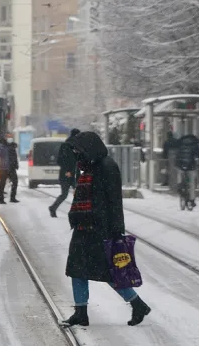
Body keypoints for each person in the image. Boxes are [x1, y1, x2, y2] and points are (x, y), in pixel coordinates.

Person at [60, 131, 151, 328]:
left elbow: (114, 201)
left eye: (78, 149)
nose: (76, 153)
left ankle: (138, 304)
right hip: (84, 227)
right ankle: (80, 312)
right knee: (77, 270)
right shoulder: (89, 166)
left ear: (89, 147)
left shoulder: (107, 167)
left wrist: (117, 229)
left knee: (108, 272)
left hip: (100, 229)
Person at [48, 128, 81, 218]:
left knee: (77, 194)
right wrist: (67, 171)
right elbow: (61, 160)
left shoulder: (77, 146)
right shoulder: (66, 146)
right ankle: (53, 208)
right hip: (67, 174)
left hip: (74, 174)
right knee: (65, 194)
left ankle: (78, 213)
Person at [174, 134, 199, 207]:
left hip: (180, 165)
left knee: (180, 176)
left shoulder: (180, 143)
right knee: (192, 183)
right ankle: (192, 200)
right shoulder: (194, 145)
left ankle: (179, 187)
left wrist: (176, 163)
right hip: (191, 165)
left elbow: (176, 153)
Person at [0, 139, 12, 204]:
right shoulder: (1, 148)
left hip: (4, 167)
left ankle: (1, 198)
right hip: (2, 168)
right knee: (2, 183)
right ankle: (0, 199)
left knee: (3, 183)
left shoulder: (3, 147)